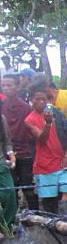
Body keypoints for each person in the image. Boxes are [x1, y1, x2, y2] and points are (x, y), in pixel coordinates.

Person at [24, 80, 67, 215]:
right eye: (37, 99)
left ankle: (65, 220)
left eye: (43, 99)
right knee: (49, 198)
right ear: (31, 100)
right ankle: (53, 224)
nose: (41, 102)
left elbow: (66, 136)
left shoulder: (57, 113)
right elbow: (41, 139)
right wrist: (47, 124)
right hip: (45, 164)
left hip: (62, 161)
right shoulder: (29, 119)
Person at [1, 73, 38, 210]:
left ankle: (36, 214)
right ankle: (13, 216)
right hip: (7, 153)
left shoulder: (25, 107)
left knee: (27, 186)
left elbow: (29, 132)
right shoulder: (2, 106)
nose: (6, 88)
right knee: (11, 188)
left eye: (9, 85)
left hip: (25, 152)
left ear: (17, 86)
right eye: (3, 85)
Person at [0, 98, 17, 230]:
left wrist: (11, 156)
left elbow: (7, 141)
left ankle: (7, 226)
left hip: (1, 162)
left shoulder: (1, 119)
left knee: (10, 192)